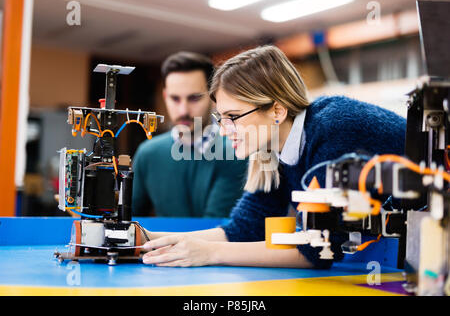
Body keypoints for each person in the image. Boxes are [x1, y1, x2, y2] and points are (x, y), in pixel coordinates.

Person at [138, 45, 406, 269]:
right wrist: (148, 238)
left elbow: (317, 251)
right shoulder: (272, 150)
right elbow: (244, 229)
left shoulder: (333, 129)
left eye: (233, 117)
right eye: (221, 119)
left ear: (277, 111)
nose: (224, 130)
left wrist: (209, 252)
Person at [132, 51, 247, 217]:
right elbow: (131, 221)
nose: (183, 110)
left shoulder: (235, 152)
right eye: (175, 99)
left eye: (194, 98)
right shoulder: (148, 153)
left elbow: (215, 226)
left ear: (214, 97)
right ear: (165, 96)